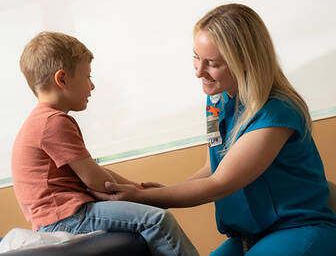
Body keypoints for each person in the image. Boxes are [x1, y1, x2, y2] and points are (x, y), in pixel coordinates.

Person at [91, 4, 336, 255]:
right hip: (251, 236)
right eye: (195, 57)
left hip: (300, 230)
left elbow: (220, 183)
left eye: (212, 63)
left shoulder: (275, 113)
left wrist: (148, 198)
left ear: (245, 61)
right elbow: (211, 169)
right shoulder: (217, 100)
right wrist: (161, 192)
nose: (199, 72)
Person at [11, 31, 198, 256]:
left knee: (148, 215)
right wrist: (146, 199)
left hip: (61, 216)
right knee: (158, 220)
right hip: (66, 218)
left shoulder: (42, 121)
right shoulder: (53, 122)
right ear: (62, 79)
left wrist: (138, 190)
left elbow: (94, 171)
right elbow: (96, 181)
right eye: (87, 76)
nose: (92, 86)